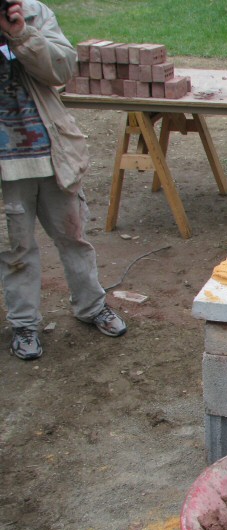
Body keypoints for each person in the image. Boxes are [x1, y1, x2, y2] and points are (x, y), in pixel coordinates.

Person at [0, 0, 126, 361]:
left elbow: (62, 69)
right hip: (7, 168)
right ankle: (24, 324)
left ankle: (92, 306)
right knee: (15, 251)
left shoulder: (34, 13)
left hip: (52, 152)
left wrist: (22, 34)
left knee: (74, 236)